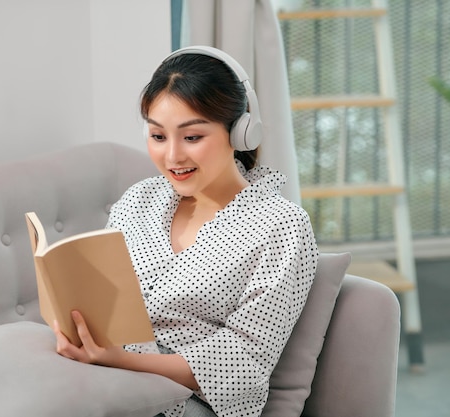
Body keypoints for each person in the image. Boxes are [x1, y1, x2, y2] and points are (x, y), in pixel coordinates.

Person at [53, 46, 318, 417]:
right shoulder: (138, 201)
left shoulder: (280, 224)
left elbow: (244, 360)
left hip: (187, 402)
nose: (173, 157)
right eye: (158, 136)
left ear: (241, 132)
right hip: (104, 377)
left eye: (192, 137)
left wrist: (121, 362)